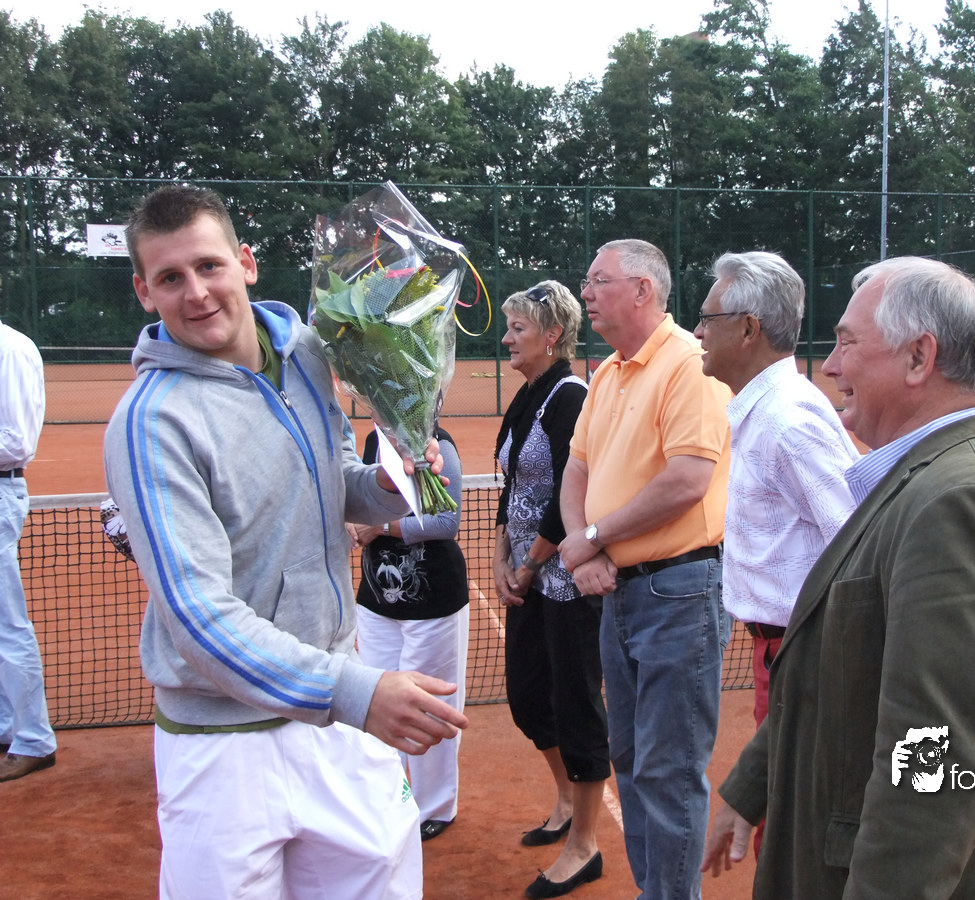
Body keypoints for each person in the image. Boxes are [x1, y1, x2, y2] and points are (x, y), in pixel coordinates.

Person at [103, 184, 468, 900]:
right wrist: (356, 693)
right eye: (170, 278)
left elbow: (336, 480)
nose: (196, 292)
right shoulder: (150, 424)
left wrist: (389, 482)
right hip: (227, 750)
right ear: (144, 292)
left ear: (245, 262)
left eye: (209, 266)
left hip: (337, 720)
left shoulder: (305, 353)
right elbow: (200, 619)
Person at [701, 257, 975, 898]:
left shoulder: (961, 503)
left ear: (918, 358)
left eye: (847, 343)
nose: (829, 365)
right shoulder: (912, 482)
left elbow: (934, 750)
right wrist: (753, 786)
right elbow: (836, 662)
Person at [558, 240, 732, 900]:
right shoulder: (606, 372)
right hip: (621, 594)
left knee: (669, 769)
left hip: (680, 591)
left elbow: (688, 480)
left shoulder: (690, 363)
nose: (586, 292)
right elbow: (577, 470)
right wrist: (586, 548)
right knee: (629, 760)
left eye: (598, 280)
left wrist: (593, 538)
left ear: (642, 290)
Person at [693, 251, 859, 853]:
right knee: (784, 826)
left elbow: (860, 542)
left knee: (793, 835)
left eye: (707, 318)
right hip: (783, 653)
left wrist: (822, 665)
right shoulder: (766, 411)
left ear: (748, 329)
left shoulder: (787, 422)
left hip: (804, 655)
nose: (697, 331)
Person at [492, 281, 610, 900]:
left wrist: (531, 562)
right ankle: (566, 799)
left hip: (567, 584)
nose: (506, 338)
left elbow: (571, 491)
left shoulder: (571, 396)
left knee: (576, 703)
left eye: (518, 329)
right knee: (528, 698)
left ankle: (585, 845)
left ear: (552, 335)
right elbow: (512, 485)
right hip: (528, 580)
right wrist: (500, 556)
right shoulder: (527, 396)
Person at [348, 424, 470, 843]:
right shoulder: (372, 442)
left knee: (429, 706)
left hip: (433, 602)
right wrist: (353, 521)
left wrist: (381, 527)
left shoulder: (439, 445)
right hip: (376, 601)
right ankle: (388, 800)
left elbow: (447, 521)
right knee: (376, 702)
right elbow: (359, 501)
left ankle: (435, 806)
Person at [0, 318, 57, 782]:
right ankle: (6, 726)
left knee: (7, 624)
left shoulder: (10, 350)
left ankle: (34, 739)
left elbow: (16, 441)